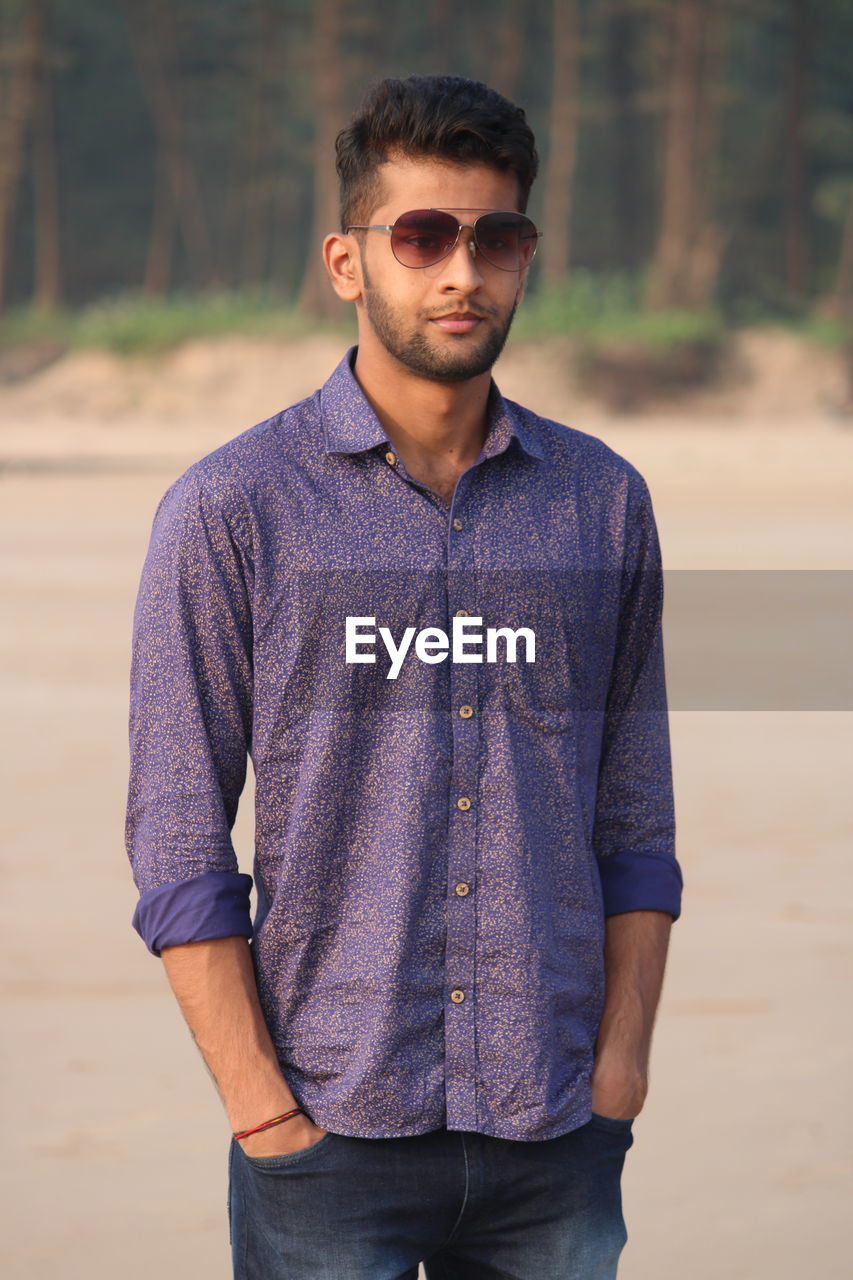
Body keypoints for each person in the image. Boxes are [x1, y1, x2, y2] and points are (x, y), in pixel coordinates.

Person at [124, 74, 683, 1280]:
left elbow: (635, 818)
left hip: (556, 1126)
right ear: (346, 260)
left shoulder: (602, 503)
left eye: (498, 237)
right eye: (423, 236)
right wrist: (263, 1108)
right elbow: (175, 833)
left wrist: (619, 1068)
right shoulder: (234, 510)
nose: (461, 273)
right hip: (329, 1134)